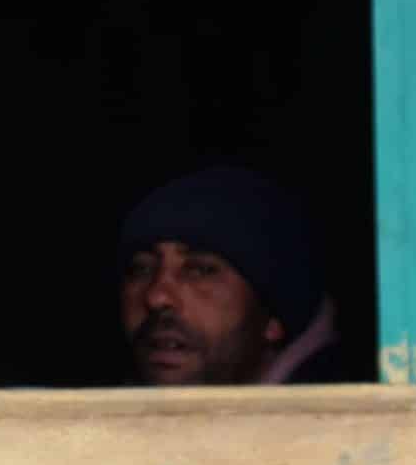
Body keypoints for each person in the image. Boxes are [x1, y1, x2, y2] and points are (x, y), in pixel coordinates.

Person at [116, 165, 342, 385]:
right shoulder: (98, 419)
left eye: (199, 270)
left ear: (273, 320)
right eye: (142, 269)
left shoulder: (346, 418)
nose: (157, 297)